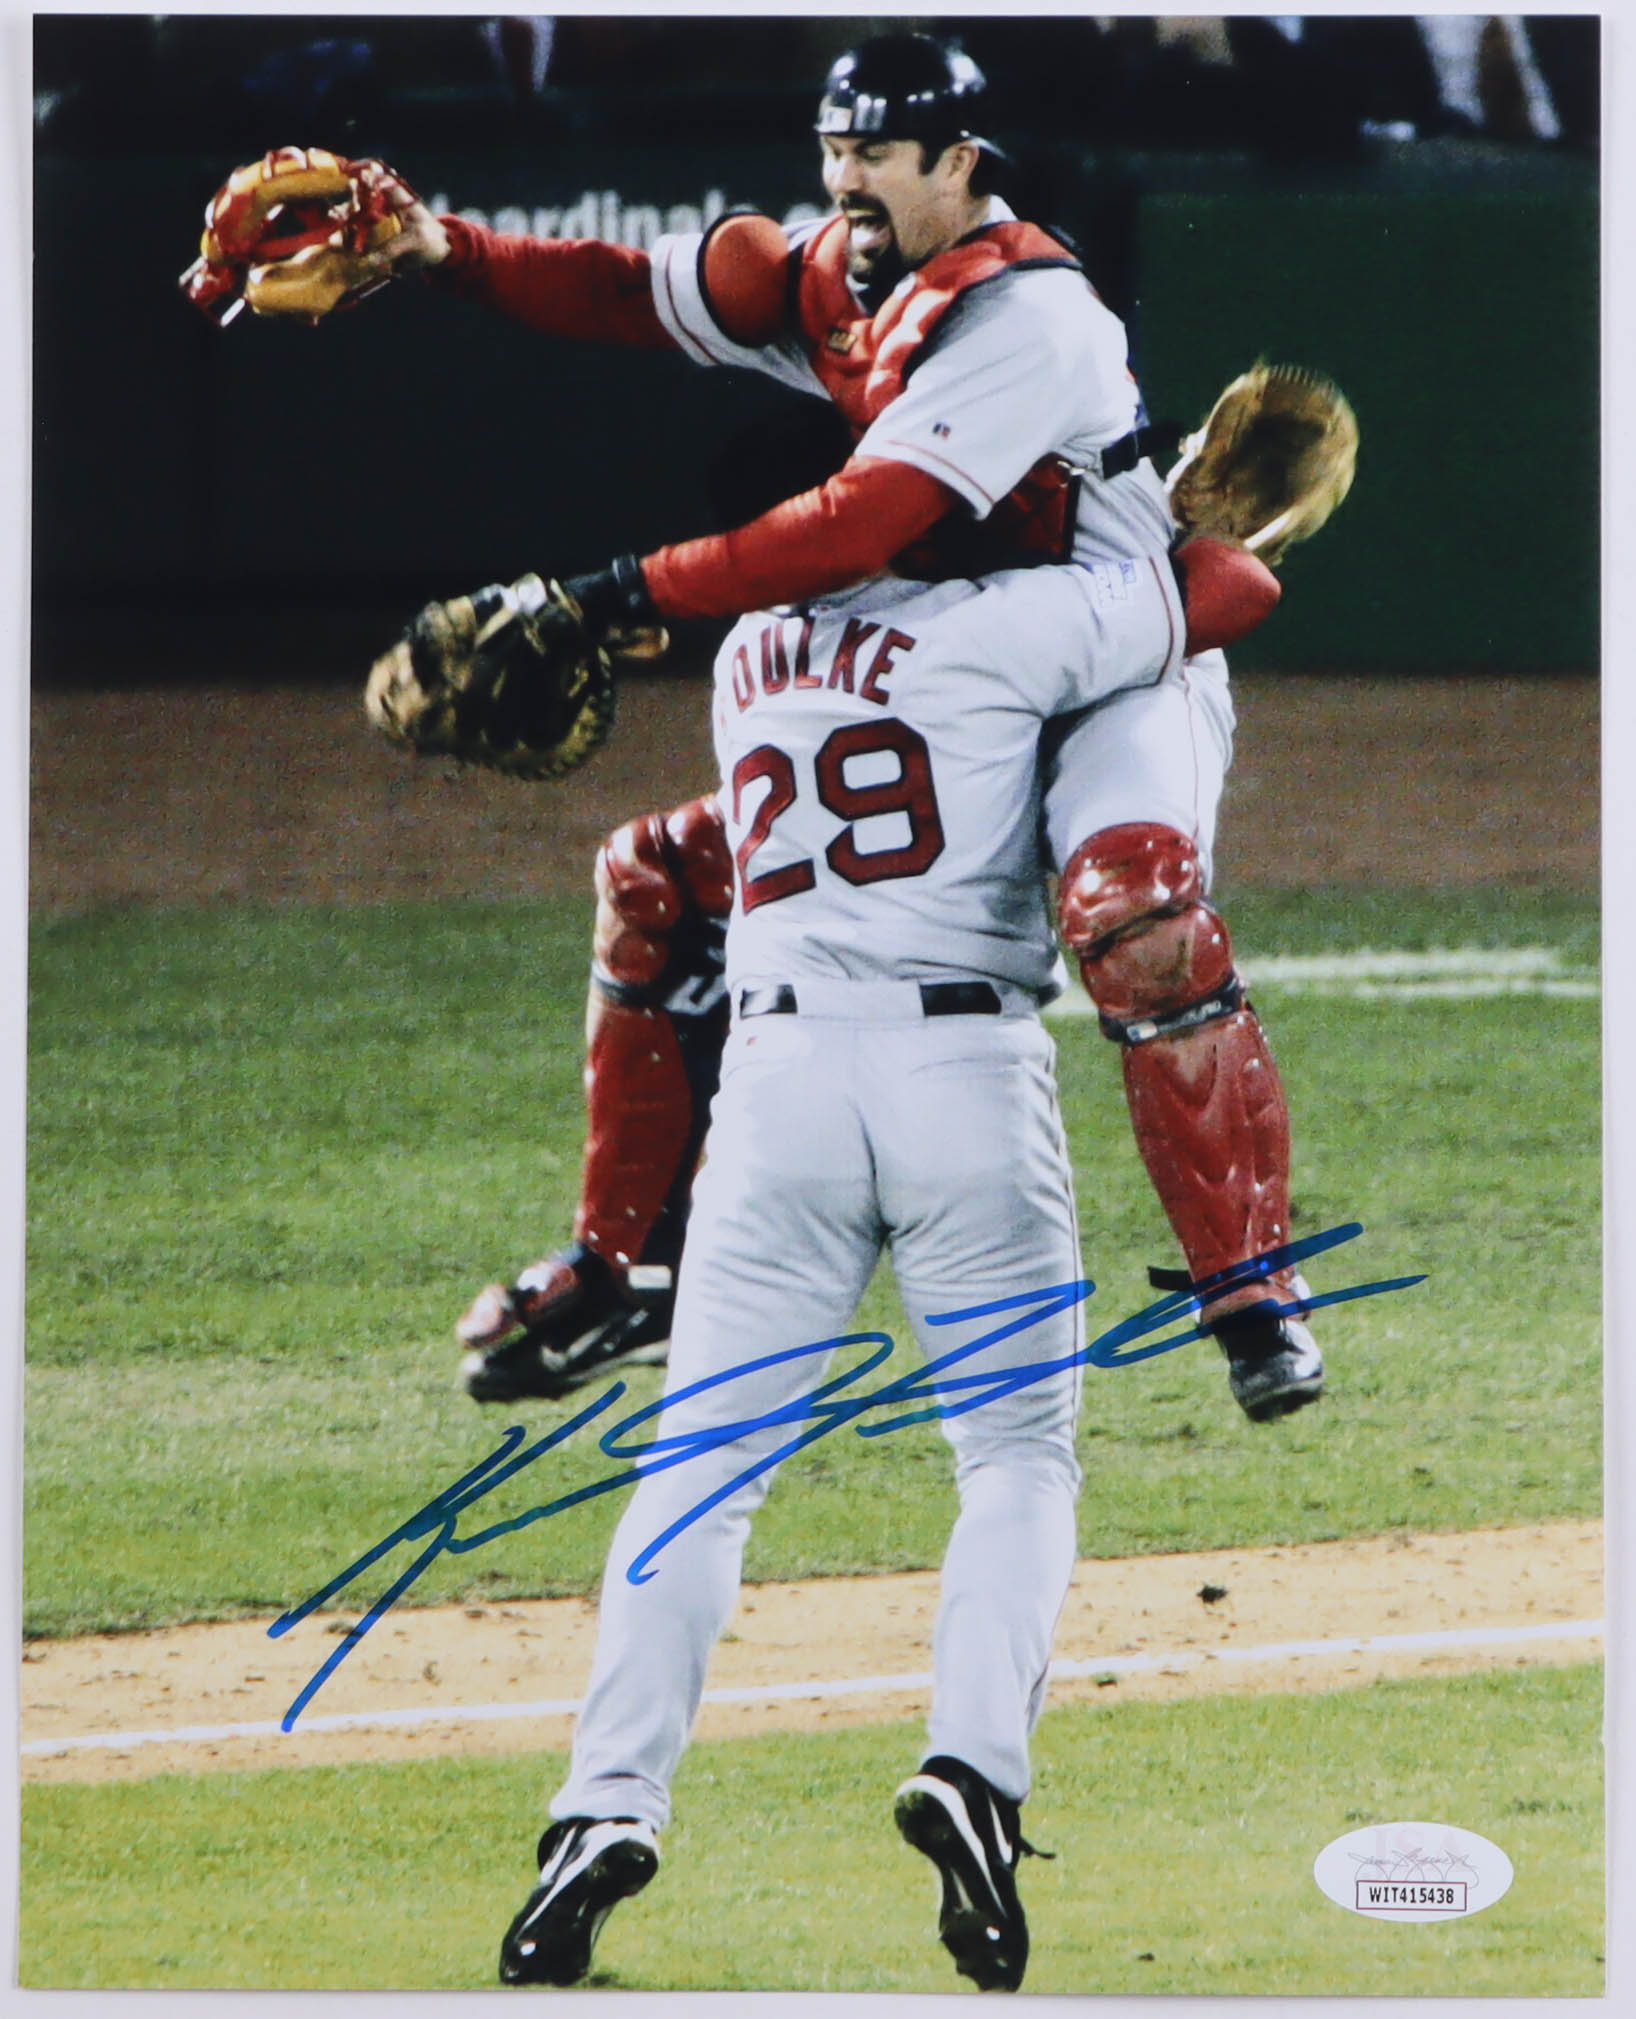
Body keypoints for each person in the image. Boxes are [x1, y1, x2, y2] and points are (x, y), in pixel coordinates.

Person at [362, 32, 1320, 1425]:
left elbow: (861, 523)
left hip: (1116, 659)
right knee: (661, 881)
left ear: (959, 162)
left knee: (1136, 912)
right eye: (836, 150)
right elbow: (625, 289)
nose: (847, 180)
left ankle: (1254, 1291)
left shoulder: (1033, 317)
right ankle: (629, 1272)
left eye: (879, 154)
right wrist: (440, 248)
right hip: (950, 668)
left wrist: (613, 593)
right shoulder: (827, 274)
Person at [494, 548, 1197, 1994]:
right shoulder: (1004, 625)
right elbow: (1195, 603)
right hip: (965, 1071)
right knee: (1014, 1460)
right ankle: (973, 1777)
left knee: (700, 1464)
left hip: (779, 1082)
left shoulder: (750, 647)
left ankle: (597, 1813)